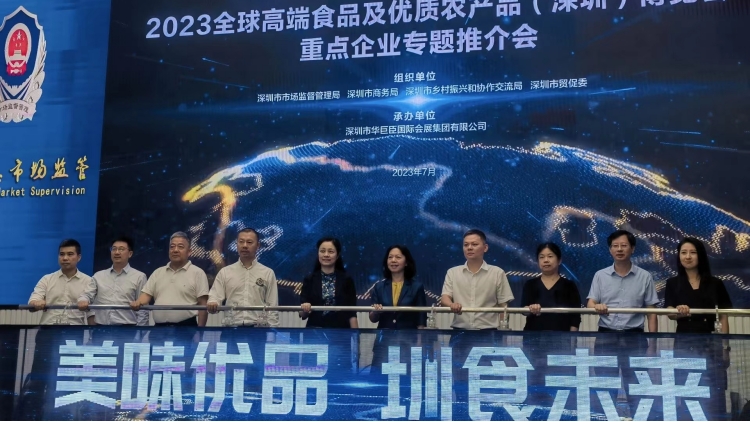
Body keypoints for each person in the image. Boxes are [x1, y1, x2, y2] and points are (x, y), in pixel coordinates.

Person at [130, 232, 209, 326]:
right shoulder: (158, 272)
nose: (175, 250)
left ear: (189, 252)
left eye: (180, 247)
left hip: (186, 328)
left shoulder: (198, 273)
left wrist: (200, 331)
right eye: (172, 247)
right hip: (159, 328)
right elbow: (146, 294)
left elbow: (203, 304)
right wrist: (138, 302)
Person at [587, 229, 659, 332]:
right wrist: (596, 306)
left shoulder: (645, 276)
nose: (619, 249)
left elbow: (651, 311)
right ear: (610, 250)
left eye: (624, 245)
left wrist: (653, 339)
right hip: (606, 333)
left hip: (635, 334)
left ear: (632, 249)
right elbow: (590, 303)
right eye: (615, 246)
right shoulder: (600, 275)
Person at [441, 229, 514, 330]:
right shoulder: (452, 272)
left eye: (474, 244)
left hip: (489, 332)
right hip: (459, 331)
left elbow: (503, 306)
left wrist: (503, 331)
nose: (469, 248)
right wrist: (451, 304)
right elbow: (445, 297)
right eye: (466, 245)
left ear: (485, 248)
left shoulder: (497, 272)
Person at [207, 228, 279, 327]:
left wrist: (273, 330)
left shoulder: (268, 273)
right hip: (231, 327)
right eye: (241, 242)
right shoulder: (225, 272)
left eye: (249, 242)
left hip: (258, 328)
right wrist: (213, 303)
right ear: (236, 244)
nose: (244, 245)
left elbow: (272, 305)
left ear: (258, 245)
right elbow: (215, 297)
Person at [77, 236, 149, 326]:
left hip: (128, 329)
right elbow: (87, 295)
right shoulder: (99, 276)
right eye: (114, 249)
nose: (117, 252)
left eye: (121, 249)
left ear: (130, 254)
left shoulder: (139, 277)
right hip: (101, 328)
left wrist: (139, 332)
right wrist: (83, 300)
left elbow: (143, 309)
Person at [665, 237, 731, 333]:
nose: (688, 257)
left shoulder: (716, 283)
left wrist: (725, 341)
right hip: (683, 337)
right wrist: (678, 311)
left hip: (710, 337)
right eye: (683, 252)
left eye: (693, 252)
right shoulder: (672, 283)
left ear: (701, 255)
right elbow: (669, 311)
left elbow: (723, 316)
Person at [28, 239, 92, 325]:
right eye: (62, 254)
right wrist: (36, 303)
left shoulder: (89, 281)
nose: (65, 258)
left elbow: (92, 314)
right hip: (48, 329)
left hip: (75, 330)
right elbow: (32, 302)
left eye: (70, 254)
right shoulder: (47, 279)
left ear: (79, 257)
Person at [299, 237, 358, 328]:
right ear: (318, 253)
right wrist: (305, 308)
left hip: (341, 330)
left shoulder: (347, 279)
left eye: (330, 251)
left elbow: (352, 313)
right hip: (315, 330)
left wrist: (356, 334)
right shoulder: (309, 279)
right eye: (322, 251)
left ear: (337, 255)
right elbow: (302, 315)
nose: (326, 255)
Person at [521, 242, 581, 331]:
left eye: (550, 256)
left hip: (562, 336)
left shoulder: (569, 285)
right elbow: (523, 310)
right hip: (533, 335)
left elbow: (575, 316)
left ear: (559, 260)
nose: (546, 260)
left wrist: (572, 337)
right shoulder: (530, 284)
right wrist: (530, 309)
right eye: (541, 257)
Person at [369, 245, 427, 329]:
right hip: (384, 335)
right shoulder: (379, 287)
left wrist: (420, 337)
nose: (393, 260)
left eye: (398, 257)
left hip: (409, 336)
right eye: (390, 257)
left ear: (406, 262)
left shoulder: (417, 287)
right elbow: (373, 319)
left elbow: (421, 320)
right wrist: (375, 312)